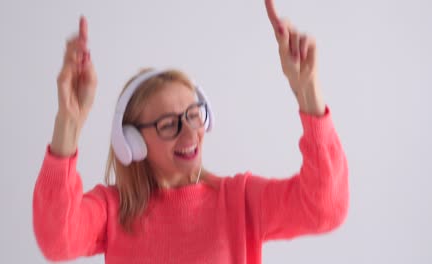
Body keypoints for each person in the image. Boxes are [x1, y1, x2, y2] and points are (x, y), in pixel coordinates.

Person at [32, 0, 349, 263]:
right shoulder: (112, 209)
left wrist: (308, 93)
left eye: (194, 116)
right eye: (169, 124)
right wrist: (68, 122)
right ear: (132, 142)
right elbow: (57, 240)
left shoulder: (238, 200)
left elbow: (325, 209)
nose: (189, 134)